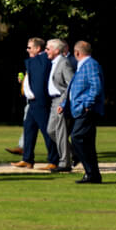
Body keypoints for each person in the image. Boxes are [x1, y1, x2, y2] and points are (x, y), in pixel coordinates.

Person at [8, 37, 54, 169]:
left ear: (37, 48)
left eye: (29, 47)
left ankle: (54, 160)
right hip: (32, 102)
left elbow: (40, 83)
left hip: (40, 102)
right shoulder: (36, 61)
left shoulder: (42, 60)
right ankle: (27, 159)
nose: (27, 50)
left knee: (47, 131)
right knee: (29, 131)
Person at [67, 40, 105, 185]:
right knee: (87, 143)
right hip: (80, 108)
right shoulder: (83, 65)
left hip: (85, 109)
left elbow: (96, 86)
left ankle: (90, 172)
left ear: (77, 53)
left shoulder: (90, 65)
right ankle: (93, 175)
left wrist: (87, 105)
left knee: (77, 137)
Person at [46, 38, 75, 173]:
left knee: (61, 131)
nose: (46, 51)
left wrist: (64, 102)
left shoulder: (64, 63)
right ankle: (75, 153)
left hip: (60, 101)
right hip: (53, 101)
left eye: (48, 48)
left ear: (57, 50)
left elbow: (71, 84)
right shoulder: (54, 63)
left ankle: (64, 163)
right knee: (51, 131)